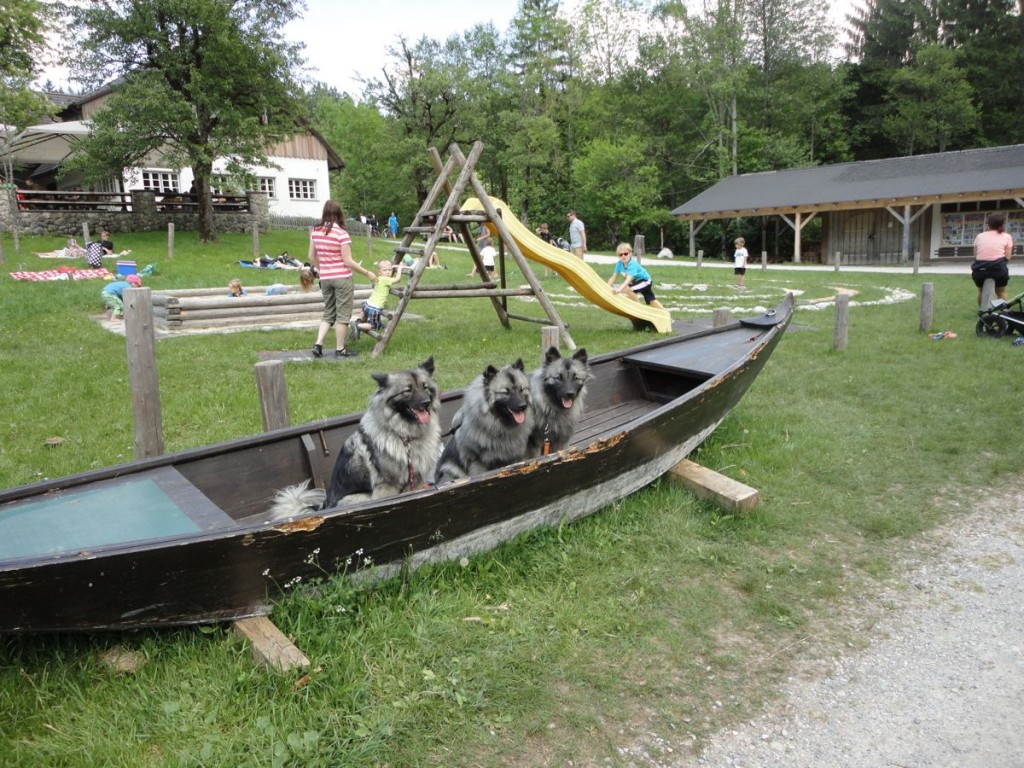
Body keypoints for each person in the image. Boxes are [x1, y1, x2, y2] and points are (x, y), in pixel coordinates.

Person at [308, 199, 376, 358]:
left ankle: (318, 344)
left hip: (325, 279)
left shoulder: (315, 231)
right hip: (342, 278)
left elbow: (311, 256)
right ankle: (340, 349)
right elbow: (348, 261)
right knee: (343, 315)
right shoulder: (341, 233)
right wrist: (367, 273)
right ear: (339, 214)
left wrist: (322, 268)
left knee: (328, 312)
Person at [352, 260, 404, 339]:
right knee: (374, 326)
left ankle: (358, 320)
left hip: (367, 305)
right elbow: (398, 279)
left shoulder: (378, 278)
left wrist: (391, 268)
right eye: (385, 270)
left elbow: (387, 272)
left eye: (389, 270)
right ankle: (358, 325)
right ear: (379, 272)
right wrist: (399, 269)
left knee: (364, 309)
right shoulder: (385, 279)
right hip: (374, 308)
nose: (388, 272)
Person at [972, 212, 1013, 305]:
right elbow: (1007, 257)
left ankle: (983, 313)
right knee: (1001, 292)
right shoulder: (1007, 237)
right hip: (998, 268)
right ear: (1002, 224)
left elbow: (976, 254)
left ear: (988, 224)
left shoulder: (979, 236)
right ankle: (1002, 312)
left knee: (981, 291)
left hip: (980, 269)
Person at [608, 243, 665, 309]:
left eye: (625, 254)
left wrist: (619, 289)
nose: (623, 256)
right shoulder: (619, 264)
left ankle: (639, 308)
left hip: (645, 281)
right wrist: (606, 287)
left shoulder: (632, 264)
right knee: (651, 300)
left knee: (627, 289)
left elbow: (629, 279)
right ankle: (664, 313)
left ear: (630, 254)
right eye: (621, 255)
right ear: (618, 256)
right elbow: (613, 277)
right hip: (637, 282)